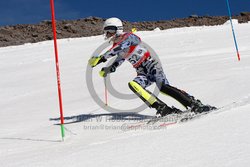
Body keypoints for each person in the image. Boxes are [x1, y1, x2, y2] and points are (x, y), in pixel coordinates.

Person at [89, 17, 216, 117]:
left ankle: (194, 104)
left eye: (109, 31)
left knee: (163, 87)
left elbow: (119, 48)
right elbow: (119, 59)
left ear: (116, 29)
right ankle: (163, 109)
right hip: (142, 72)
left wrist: (101, 58)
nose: (107, 35)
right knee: (134, 85)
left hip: (152, 65)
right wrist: (109, 68)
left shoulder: (129, 37)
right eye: (106, 33)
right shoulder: (118, 47)